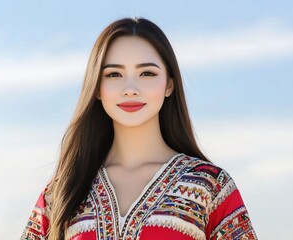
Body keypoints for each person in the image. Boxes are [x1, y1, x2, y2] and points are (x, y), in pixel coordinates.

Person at [21, 17, 257, 240]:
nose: (130, 88)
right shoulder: (62, 191)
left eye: (147, 73)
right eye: (114, 74)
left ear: (169, 85)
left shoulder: (209, 186)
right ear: (96, 88)